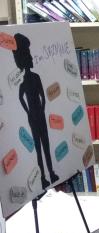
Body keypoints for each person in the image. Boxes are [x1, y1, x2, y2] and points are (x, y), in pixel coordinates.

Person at [12, 33, 59, 189]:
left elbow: (42, 96)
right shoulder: (24, 83)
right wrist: (29, 111)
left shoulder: (35, 78)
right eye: (28, 55)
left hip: (38, 114)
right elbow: (21, 98)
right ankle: (44, 177)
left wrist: (40, 109)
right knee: (39, 148)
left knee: (45, 145)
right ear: (24, 58)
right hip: (35, 115)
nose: (31, 57)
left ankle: (51, 174)